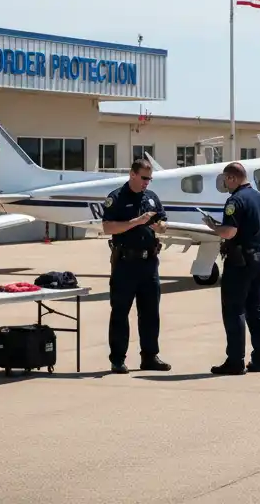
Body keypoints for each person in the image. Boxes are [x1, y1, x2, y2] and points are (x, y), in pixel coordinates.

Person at [101, 159, 171, 374]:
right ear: (132, 174)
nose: (147, 183)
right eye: (143, 178)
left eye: (149, 179)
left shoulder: (151, 197)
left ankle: (150, 356)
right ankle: (118, 359)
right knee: (120, 312)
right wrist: (136, 222)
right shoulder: (117, 198)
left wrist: (161, 226)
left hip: (149, 263)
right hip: (125, 263)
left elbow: (163, 221)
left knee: (150, 313)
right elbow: (107, 227)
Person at [202, 162, 260, 375]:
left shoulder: (235, 201)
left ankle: (235, 361)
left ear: (232, 178)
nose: (225, 184)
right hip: (259, 257)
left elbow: (229, 232)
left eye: (225, 180)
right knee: (255, 308)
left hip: (239, 261)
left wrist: (213, 226)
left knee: (234, 310)